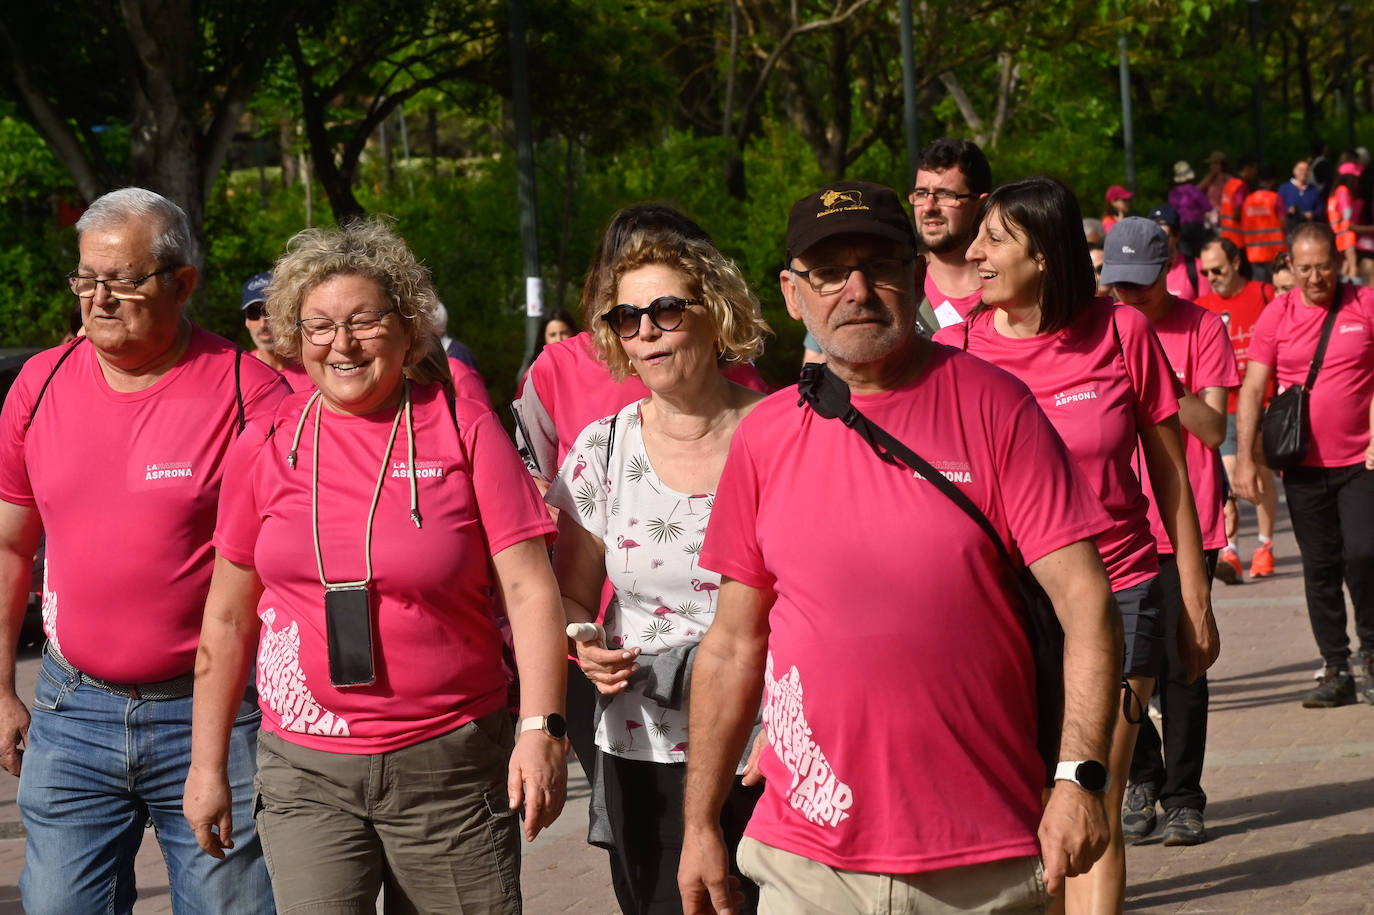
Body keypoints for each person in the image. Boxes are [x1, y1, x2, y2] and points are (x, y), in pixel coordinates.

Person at [680, 179, 1124, 915]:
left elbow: (1087, 602)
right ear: (794, 295)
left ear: (917, 276)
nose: (857, 289)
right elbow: (732, 642)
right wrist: (698, 820)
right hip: (806, 859)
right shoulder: (763, 437)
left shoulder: (996, 407)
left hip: (982, 862)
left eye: (879, 263)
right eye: (829, 271)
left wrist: (1079, 777)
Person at [183, 219, 569, 912]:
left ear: (407, 325)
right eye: (319, 325)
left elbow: (530, 587)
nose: (342, 343)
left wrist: (541, 728)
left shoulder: (461, 423)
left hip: (448, 763)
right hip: (306, 770)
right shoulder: (266, 441)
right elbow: (229, 615)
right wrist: (207, 765)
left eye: (363, 320)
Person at [0, 187, 285, 914]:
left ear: (182, 282)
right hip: (71, 708)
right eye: (86, 278)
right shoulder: (38, 386)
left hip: (217, 712)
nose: (98, 299)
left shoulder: (250, 392)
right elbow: (9, 545)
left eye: (122, 280)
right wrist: (2, 686)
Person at [943, 191, 1219, 913]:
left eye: (994, 240)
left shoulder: (1121, 330)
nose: (974, 254)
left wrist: (1193, 593)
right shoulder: (960, 347)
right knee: (1034, 799)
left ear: (1044, 255)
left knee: (1089, 790)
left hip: (1123, 589)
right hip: (1009, 607)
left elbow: (1171, 476)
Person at [513, 203, 768, 914]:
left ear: (714, 312)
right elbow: (568, 596)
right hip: (643, 747)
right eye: (627, 318)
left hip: (765, 750)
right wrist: (582, 644)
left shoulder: (782, 435)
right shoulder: (602, 448)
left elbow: (825, 599)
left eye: (664, 310)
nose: (646, 330)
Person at [1107, 220, 1237, 849]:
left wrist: (1157, 374)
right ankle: (1141, 774)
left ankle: (1185, 797)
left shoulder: (1203, 327)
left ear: (1170, 268)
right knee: (1123, 664)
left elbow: (1213, 430)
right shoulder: (1097, 328)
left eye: (1141, 284)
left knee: (1184, 666)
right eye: (1119, 285)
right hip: (1118, 522)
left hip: (1189, 520)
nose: (1128, 297)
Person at [1233, 222, 1374, 709]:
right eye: (1307, 268)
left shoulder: (1365, 304)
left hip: (1363, 460)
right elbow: (1253, 388)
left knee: (1364, 553)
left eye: (1325, 267)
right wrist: (1247, 460)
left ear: (1340, 263)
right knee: (1320, 567)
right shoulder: (1278, 314)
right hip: (1304, 465)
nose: (1317, 277)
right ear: (1290, 267)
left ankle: (1372, 656)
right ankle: (1336, 667)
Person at [1195, 238, 1279, 583]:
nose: (1211, 277)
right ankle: (1230, 550)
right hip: (1223, 406)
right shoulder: (1200, 306)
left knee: (1260, 474)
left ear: (1236, 262)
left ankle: (1265, 544)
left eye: (1218, 269)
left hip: (1266, 404)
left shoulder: (1264, 294)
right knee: (1231, 476)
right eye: (1205, 271)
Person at [908, 137, 992, 329]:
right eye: (921, 194)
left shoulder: (1016, 294)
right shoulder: (900, 292)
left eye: (945, 194)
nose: (929, 207)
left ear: (980, 205)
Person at [242, 271, 312, 391]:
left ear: (288, 315)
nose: (263, 323)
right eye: (253, 313)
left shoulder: (314, 368)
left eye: (270, 312)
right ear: (246, 321)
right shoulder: (240, 371)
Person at [1147, 203, 1202, 301]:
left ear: (1177, 236)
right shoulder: (1141, 268)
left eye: (1163, 236)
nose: (1157, 241)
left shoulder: (1196, 267)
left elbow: (1207, 308)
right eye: (1153, 236)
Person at [1241, 165, 1286, 284]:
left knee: (1260, 287)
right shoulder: (1276, 198)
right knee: (1277, 286)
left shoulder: (1248, 200)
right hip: (1275, 253)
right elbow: (1284, 223)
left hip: (1254, 252)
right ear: (1272, 181)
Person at [1328, 161, 1360, 279]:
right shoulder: (1343, 190)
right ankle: (1353, 293)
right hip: (1347, 233)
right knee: (1353, 265)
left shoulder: (1334, 192)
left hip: (1338, 233)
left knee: (1344, 266)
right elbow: (1347, 212)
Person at [1220, 156, 1258, 249]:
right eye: (1254, 169)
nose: (1255, 173)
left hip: (1226, 235)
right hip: (1238, 239)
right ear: (1246, 168)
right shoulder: (1241, 186)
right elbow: (1237, 214)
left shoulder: (1230, 183)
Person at [1278, 158, 1321, 225]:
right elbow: (1279, 208)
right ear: (1294, 170)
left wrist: (1312, 214)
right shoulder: (1284, 188)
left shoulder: (1314, 190)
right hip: (1291, 230)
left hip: (1308, 228)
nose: (1304, 172)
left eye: (1306, 170)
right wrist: (1288, 211)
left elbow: (1320, 209)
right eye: (1301, 170)